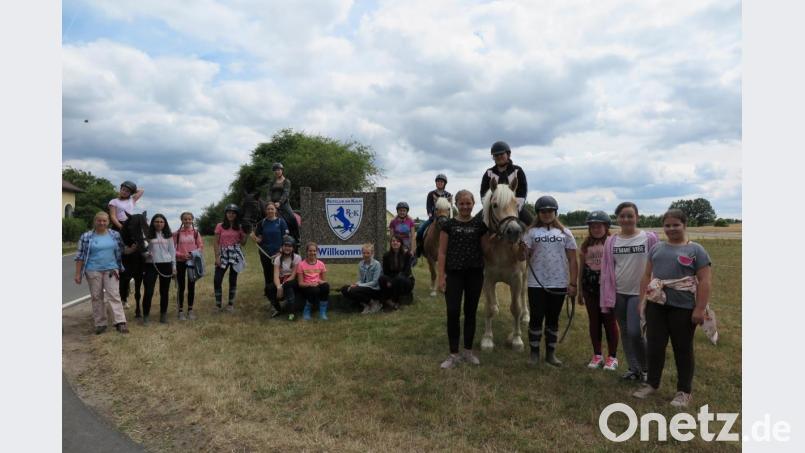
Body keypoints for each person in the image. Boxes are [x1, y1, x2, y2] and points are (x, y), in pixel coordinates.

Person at [632, 209, 712, 407]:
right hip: (656, 305)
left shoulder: (696, 251)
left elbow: (704, 280)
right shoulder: (657, 249)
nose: (671, 229)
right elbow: (646, 276)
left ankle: (684, 391)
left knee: (682, 349)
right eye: (667, 225)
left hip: (683, 308)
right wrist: (642, 300)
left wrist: (700, 309)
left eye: (676, 224)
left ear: (685, 225)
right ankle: (652, 383)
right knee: (655, 346)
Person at [600, 202, 659, 382]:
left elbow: (657, 264)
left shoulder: (649, 238)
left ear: (637, 217)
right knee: (625, 332)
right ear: (617, 218)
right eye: (622, 216)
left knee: (635, 332)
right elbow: (606, 268)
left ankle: (647, 369)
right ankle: (634, 369)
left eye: (630, 215)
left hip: (639, 294)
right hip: (618, 292)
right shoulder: (611, 241)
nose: (626, 219)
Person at [523, 196, 578, 367]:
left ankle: (550, 354)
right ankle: (534, 353)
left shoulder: (565, 233)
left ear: (555, 212)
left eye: (549, 211)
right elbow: (521, 257)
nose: (546, 214)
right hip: (536, 283)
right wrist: (519, 248)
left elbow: (572, 260)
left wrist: (573, 283)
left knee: (553, 319)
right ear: (538, 213)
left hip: (559, 283)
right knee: (536, 318)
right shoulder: (530, 233)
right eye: (543, 211)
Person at [437, 189, 487, 369]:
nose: (465, 206)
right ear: (456, 205)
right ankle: (453, 354)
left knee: (471, 312)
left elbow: (486, 250)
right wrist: (441, 276)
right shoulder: (448, 225)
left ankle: (467, 351)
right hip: (454, 274)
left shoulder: (480, 225)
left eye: (468, 203)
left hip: (474, 274)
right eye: (462, 203)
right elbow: (442, 253)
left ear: (474, 204)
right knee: (452, 311)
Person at [74, 212, 131, 334]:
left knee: (114, 295)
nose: (102, 223)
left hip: (111, 269)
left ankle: (120, 322)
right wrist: (78, 274)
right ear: (95, 221)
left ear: (108, 222)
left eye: (104, 221)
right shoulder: (86, 236)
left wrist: (134, 248)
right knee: (96, 297)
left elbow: (122, 250)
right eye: (99, 220)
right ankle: (100, 324)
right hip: (93, 270)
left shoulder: (115, 235)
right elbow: (79, 256)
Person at [578, 210, 619, 370]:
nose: (596, 229)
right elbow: (582, 267)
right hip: (590, 289)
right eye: (593, 226)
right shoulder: (586, 245)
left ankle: (612, 357)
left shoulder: (612, 242)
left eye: (599, 226)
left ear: (606, 227)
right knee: (594, 322)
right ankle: (597, 355)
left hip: (607, 290)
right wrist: (580, 289)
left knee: (609, 322)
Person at [479, 141, 532, 226]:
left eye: (501, 154)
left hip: (513, 206)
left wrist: (516, 207)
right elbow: (483, 193)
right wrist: (488, 206)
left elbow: (522, 191)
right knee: (476, 224)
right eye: (496, 155)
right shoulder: (489, 173)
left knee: (531, 223)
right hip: (494, 207)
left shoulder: (517, 171)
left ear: (508, 154)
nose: (499, 157)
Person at [250, 203, 289, 317]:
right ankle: (272, 301)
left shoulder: (281, 222)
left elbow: (286, 238)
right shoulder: (262, 223)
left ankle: (282, 297)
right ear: (266, 211)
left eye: (272, 209)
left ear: (275, 210)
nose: (270, 211)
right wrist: (254, 237)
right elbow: (259, 239)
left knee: (280, 276)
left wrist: (280, 251)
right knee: (268, 276)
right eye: (268, 209)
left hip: (279, 254)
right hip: (265, 254)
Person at [142, 213, 176, 324]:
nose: (159, 224)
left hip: (166, 265)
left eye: (161, 222)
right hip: (151, 265)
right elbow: (143, 249)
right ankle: (146, 316)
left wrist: (174, 267)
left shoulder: (169, 235)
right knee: (149, 291)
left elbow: (172, 252)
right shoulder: (147, 234)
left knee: (164, 291)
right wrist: (146, 254)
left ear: (165, 223)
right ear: (153, 223)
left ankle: (163, 315)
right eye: (156, 221)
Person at [214, 204, 248, 312]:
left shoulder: (240, 227)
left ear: (236, 215)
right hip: (223, 253)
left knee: (233, 279)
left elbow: (243, 243)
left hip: (235, 253)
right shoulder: (220, 226)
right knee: (217, 279)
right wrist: (217, 256)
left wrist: (246, 234)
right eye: (229, 212)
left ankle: (230, 304)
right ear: (226, 214)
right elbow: (215, 242)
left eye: (233, 213)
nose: (231, 214)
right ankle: (218, 305)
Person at [173, 212, 204, 321]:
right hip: (180, 262)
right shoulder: (176, 233)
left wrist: (192, 254)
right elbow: (172, 249)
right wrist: (182, 255)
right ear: (181, 220)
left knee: (191, 286)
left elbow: (200, 246)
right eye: (185, 219)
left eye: (189, 219)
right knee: (181, 287)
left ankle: (190, 310)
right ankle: (180, 311)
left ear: (192, 220)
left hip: (192, 262)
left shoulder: (196, 233)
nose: (187, 221)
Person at [415, 174, 453, 258]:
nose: (440, 183)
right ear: (436, 183)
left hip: (445, 219)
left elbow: (450, 208)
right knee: (420, 230)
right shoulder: (431, 194)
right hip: (433, 218)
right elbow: (428, 205)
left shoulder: (448, 195)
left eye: (441, 182)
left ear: (444, 183)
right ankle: (419, 249)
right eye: (438, 181)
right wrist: (430, 213)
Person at [340, 243, 383, 314]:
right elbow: (360, 280)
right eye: (364, 253)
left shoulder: (377, 264)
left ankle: (374, 304)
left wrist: (359, 286)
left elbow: (374, 282)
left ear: (372, 253)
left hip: (374, 289)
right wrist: (355, 284)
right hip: (363, 287)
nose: (365, 255)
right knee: (344, 289)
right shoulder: (360, 264)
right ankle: (366, 305)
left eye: (368, 253)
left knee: (353, 290)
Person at [269, 236, 303, 320]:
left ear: (293, 248)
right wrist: (278, 287)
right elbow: (276, 275)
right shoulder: (277, 259)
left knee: (288, 285)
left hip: (293, 279)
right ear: (282, 247)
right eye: (285, 245)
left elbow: (293, 275)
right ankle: (278, 309)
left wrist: (283, 285)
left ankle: (292, 312)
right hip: (281, 279)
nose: (287, 248)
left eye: (290, 246)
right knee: (268, 288)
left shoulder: (297, 258)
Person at [296, 242, 330, 321]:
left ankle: (322, 312)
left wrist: (320, 282)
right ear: (307, 252)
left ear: (317, 252)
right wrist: (310, 284)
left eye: (314, 251)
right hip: (306, 286)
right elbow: (300, 283)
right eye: (310, 251)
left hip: (317, 284)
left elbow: (323, 280)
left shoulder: (321, 264)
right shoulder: (301, 265)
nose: (312, 253)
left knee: (326, 286)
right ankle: (306, 311)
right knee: (315, 290)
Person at [267, 162, 300, 243]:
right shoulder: (272, 182)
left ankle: (297, 237)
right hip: (272, 204)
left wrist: (280, 202)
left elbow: (286, 193)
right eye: (275, 170)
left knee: (292, 217)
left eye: (278, 170)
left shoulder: (286, 181)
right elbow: (269, 193)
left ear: (282, 171)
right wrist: (269, 202)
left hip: (284, 204)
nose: (277, 171)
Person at [379, 235, 415, 309]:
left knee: (399, 278)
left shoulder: (407, 254)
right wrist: (389, 280)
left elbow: (406, 272)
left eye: (397, 241)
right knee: (382, 278)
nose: (395, 243)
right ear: (390, 243)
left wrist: (393, 281)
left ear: (401, 243)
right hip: (392, 278)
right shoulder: (386, 255)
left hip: (405, 279)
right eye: (393, 241)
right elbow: (386, 272)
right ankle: (388, 300)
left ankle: (393, 301)